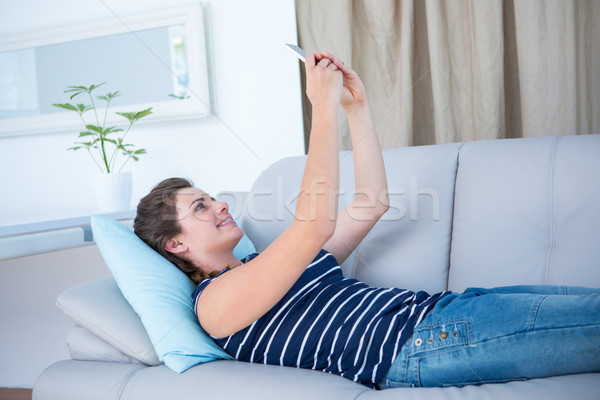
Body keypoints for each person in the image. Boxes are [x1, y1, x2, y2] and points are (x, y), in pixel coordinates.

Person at [134, 51, 600, 389]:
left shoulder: (269, 262)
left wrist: (355, 110)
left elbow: (371, 203)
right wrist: (320, 107)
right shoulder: (213, 305)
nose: (219, 206)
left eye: (212, 198)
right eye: (199, 208)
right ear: (175, 245)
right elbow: (313, 224)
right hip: (421, 343)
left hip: (444, 310)